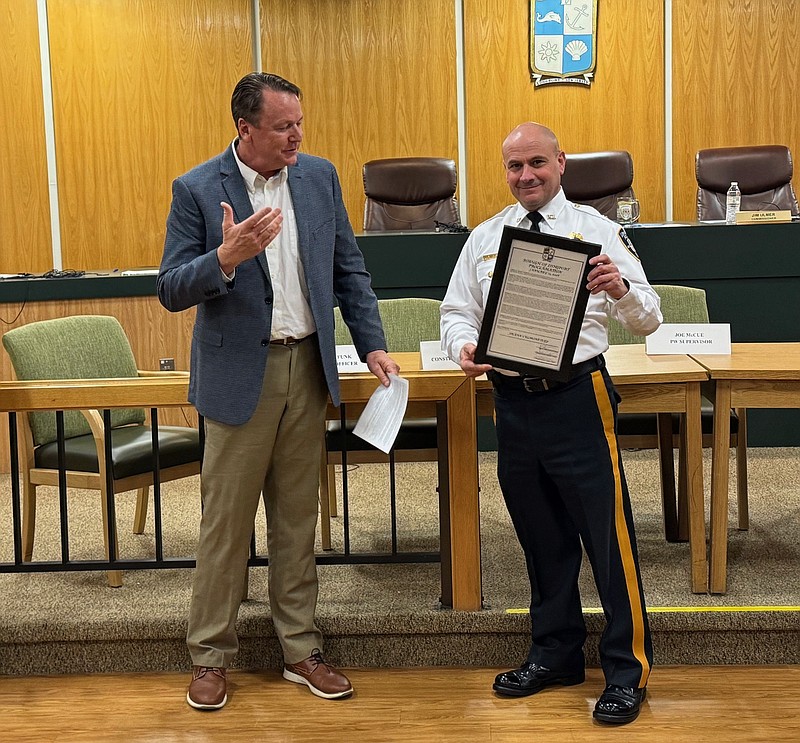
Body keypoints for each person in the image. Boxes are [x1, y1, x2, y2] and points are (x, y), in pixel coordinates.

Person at [158, 72, 399, 711]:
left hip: (307, 368)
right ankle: (210, 656)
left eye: (299, 122)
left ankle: (302, 649)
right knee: (226, 526)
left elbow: (349, 266)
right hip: (241, 374)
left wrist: (371, 340)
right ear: (246, 129)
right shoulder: (197, 188)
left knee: (296, 521)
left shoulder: (319, 177)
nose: (297, 135)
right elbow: (172, 286)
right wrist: (226, 257)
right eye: (282, 126)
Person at [440, 122, 662, 725]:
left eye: (537, 162)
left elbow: (650, 319)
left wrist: (619, 290)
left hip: (577, 398)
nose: (526, 176)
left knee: (607, 538)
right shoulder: (487, 237)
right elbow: (455, 311)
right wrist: (463, 345)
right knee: (541, 537)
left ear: (561, 163)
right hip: (512, 403)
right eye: (514, 166)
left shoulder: (597, 233)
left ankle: (626, 670)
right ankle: (556, 653)